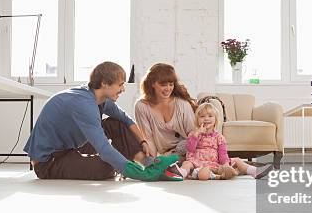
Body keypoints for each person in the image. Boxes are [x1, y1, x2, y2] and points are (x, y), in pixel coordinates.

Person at [24, 61, 181, 181]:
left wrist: (143, 142)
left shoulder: (98, 97)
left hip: (71, 148)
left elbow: (126, 120)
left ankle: (147, 163)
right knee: (107, 167)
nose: (123, 89)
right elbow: (103, 148)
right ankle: (143, 171)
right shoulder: (84, 104)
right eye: (120, 85)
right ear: (105, 84)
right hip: (49, 162)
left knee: (116, 123)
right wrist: (137, 174)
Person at [178, 103, 274, 180]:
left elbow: (222, 154)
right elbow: (190, 149)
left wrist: (225, 165)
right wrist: (196, 134)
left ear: (215, 120)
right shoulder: (193, 134)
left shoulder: (219, 137)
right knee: (186, 163)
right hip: (197, 163)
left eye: (210, 116)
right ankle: (180, 174)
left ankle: (254, 171)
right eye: (202, 116)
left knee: (237, 160)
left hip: (215, 163)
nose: (206, 118)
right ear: (197, 120)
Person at [134, 63, 197, 161]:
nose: (168, 89)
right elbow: (148, 138)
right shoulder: (142, 107)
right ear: (152, 83)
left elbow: (193, 134)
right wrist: (153, 162)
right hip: (164, 155)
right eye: (163, 85)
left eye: (171, 84)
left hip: (187, 151)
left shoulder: (182, 104)